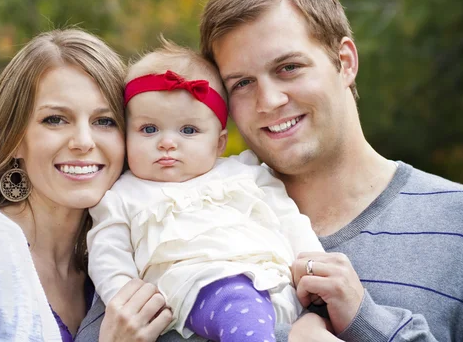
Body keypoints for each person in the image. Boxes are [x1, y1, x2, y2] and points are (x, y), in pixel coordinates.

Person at [199, 0, 463, 341]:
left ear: (345, 61)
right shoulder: (192, 217)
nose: (268, 101)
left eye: (288, 68)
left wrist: (366, 321)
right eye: (243, 83)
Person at [0, 29, 172, 342]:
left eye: (105, 121)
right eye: (56, 119)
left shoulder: (129, 258)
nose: (84, 142)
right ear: (15, 138)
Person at [86, 39, 327, 342]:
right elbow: (107, 252)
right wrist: (127, 300)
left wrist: (314, 265)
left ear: (219, 142)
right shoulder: (124, 194)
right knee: (236, 305)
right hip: (195, 288)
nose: (167, 143)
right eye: (149, 129)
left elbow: (290, 220)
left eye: (188, 130)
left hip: (275, 282)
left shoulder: (247, 172)